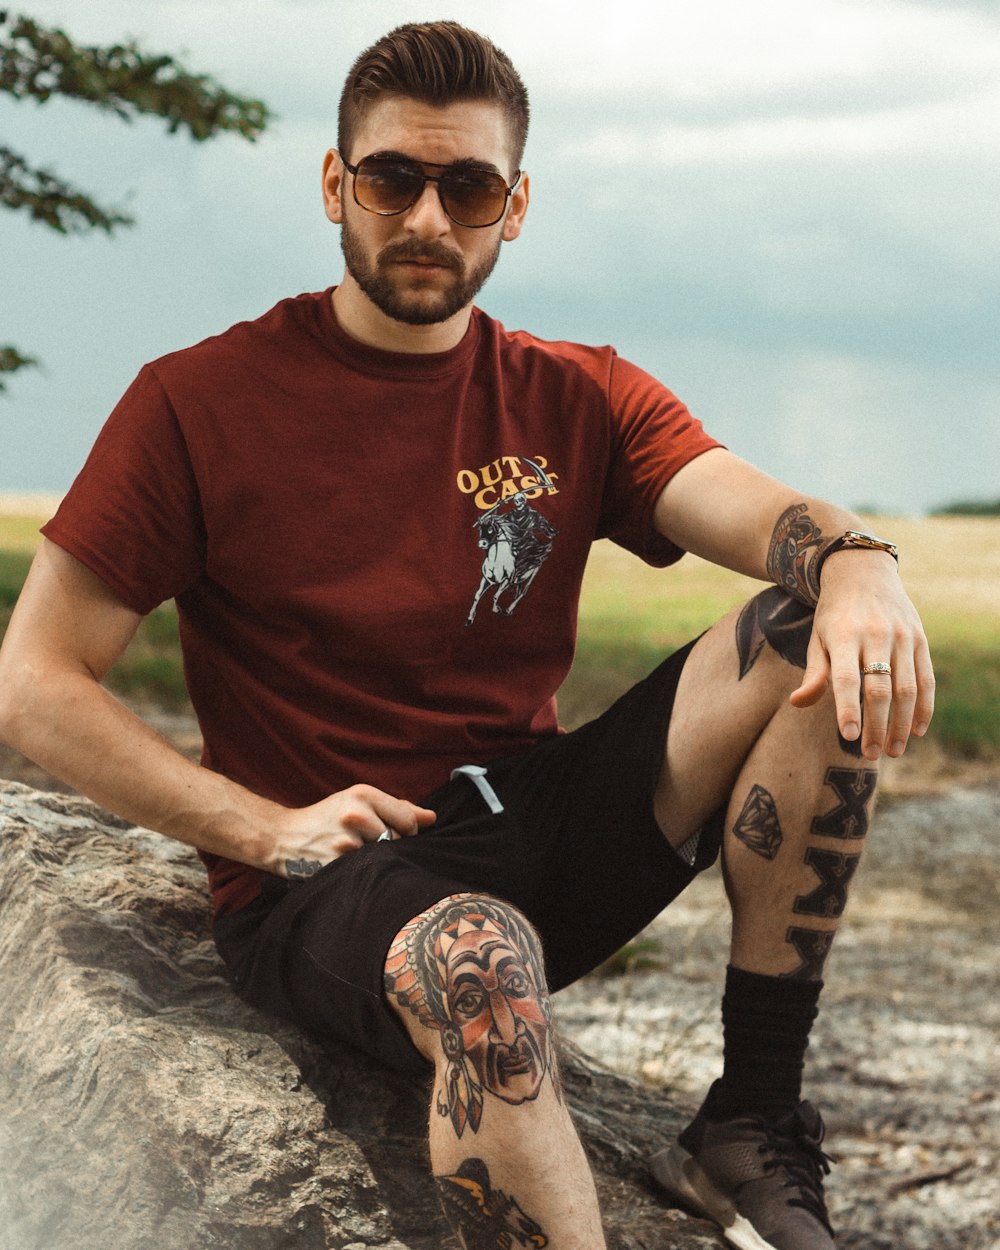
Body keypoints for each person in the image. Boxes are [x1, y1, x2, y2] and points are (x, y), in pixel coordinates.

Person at [0, 20, 934, 1250]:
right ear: (336, 184)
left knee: (811, 625)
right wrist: (259, 828)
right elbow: (32, 683)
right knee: (476, 954)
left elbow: (752, 509)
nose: (430, 218)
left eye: (469, 185)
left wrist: (860, 562)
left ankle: (749, 1120)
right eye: (393, 177)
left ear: (516, 203)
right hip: (329, 881)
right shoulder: (198, 402)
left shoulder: (573, 389)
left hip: (530, 820)